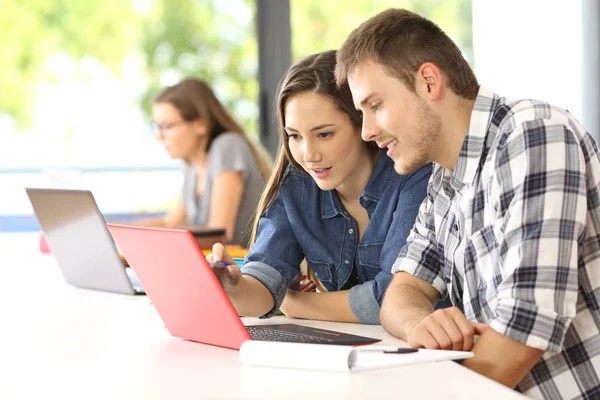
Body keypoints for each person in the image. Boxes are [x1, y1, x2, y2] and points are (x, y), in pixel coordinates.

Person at [335, 8, 600, 399]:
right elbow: (402, 291)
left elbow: (525, 326)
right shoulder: (443, 181)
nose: (367, 131)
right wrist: (419, 326)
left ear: (428, 81)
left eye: (375, 105)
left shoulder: (532, 134)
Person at [207, 50, 431, 324]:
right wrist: (234, 287)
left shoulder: (411, 175)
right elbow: (263, 286)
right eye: (295, 136)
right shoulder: (297, 183)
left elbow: (392, 299)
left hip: (428, 351)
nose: (308, 155)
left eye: (324, 134)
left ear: (362, 123)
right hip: (357, 351)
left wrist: (295, 302)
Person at [136, 78, 272, 247]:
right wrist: (110, 230)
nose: (159, 136)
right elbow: (170, 223)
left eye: (168, 126)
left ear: (200, 124)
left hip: (243, 269)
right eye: (157, 127)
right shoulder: (193, 169)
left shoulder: (227, 146)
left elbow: (219, 235)